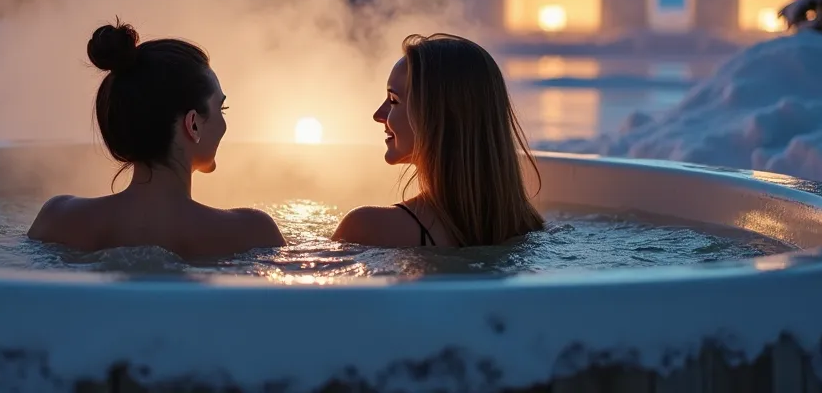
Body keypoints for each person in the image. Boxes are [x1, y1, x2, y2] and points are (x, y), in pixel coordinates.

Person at [28, 21, 286, 257]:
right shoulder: (252, 233)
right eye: (221, 109)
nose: (224, 124)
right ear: (193, 124)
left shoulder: (58, 219)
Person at [332, 33, 546, 247]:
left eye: (394, 100)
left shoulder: (366, 227)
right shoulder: (528, 226)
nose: (378, 114)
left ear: (435, 116)